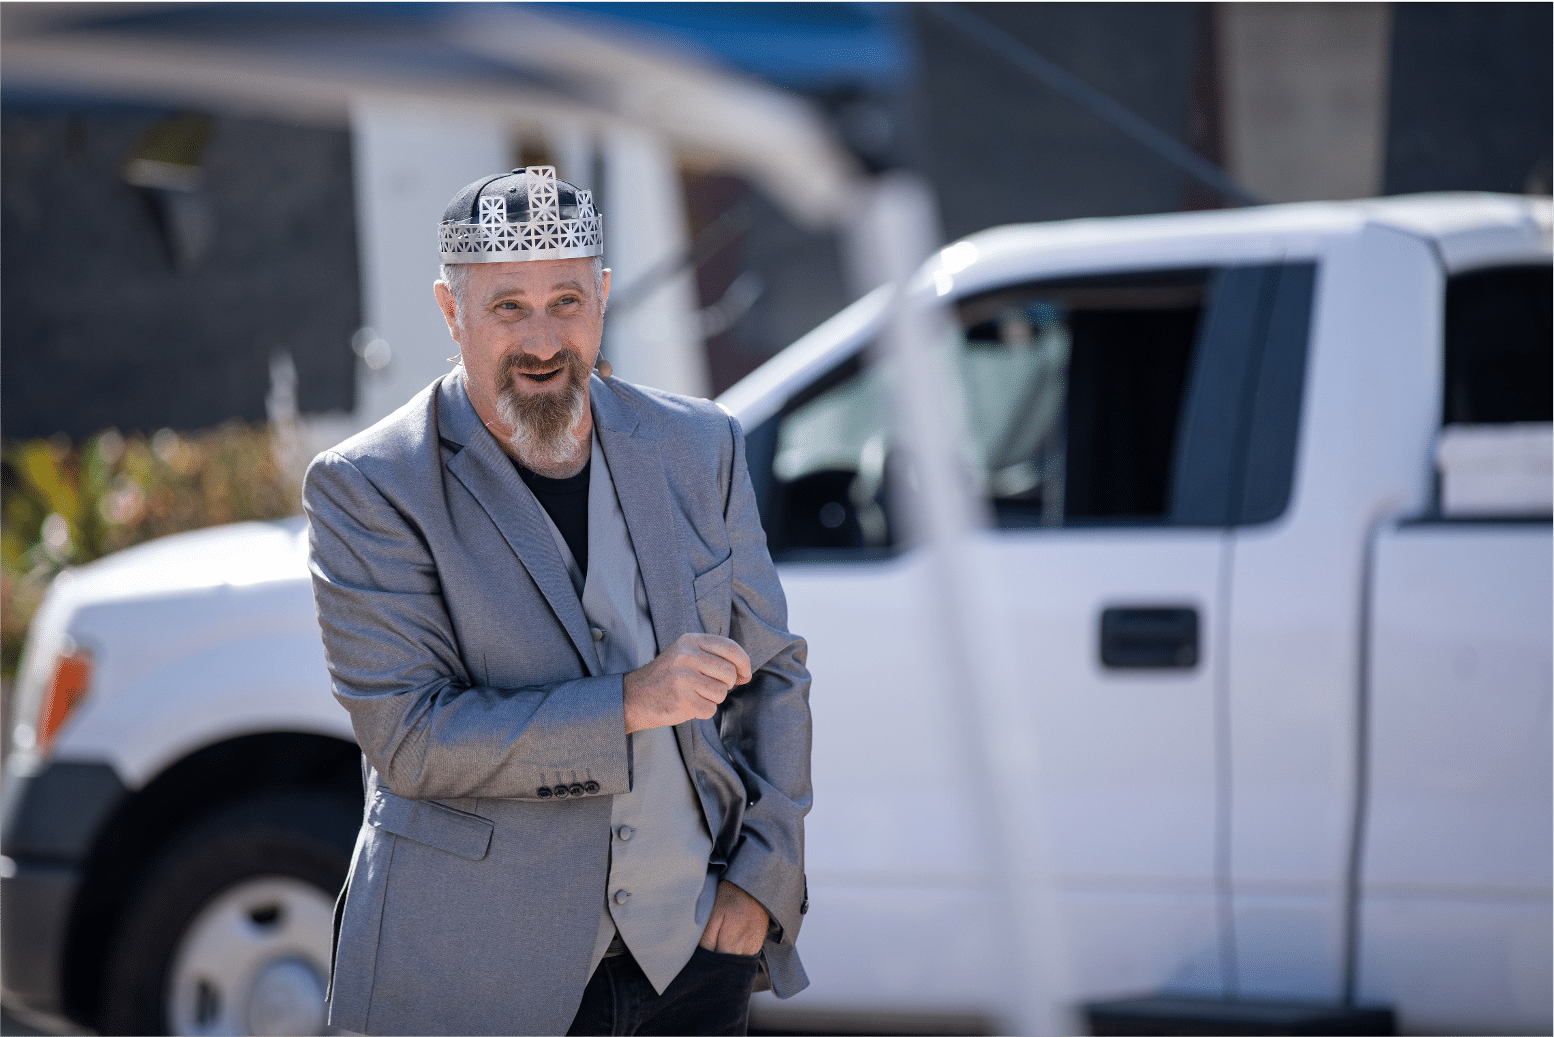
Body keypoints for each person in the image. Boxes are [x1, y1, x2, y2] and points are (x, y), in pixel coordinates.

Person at [303, 166, 812, 1037]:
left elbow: (775, 672)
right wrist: (632, 701)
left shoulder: (701, 445)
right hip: (473, 973)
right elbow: (412, 740)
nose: (543, 339)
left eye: (567, 299)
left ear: (604, 297)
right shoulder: (369, 487)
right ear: (449, 310)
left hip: (691, 962)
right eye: (508, 307)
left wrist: (762, 875)